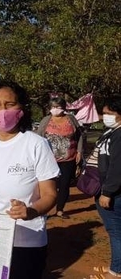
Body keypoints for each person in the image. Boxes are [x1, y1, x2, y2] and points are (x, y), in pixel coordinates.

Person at [0, 80, 59, 279]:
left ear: (21, 109)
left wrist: (30, 211)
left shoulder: (37, 144)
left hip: (26, 241)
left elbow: (50, 195)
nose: (3, 110)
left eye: (9, 104)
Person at [36, 97, 84, 219]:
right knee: (47, 185)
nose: (55, 109)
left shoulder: (71, 119)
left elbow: (80, 136)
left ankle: (60, 210)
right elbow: (38, 138)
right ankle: (44, 209)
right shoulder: (46, 120)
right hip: (49, 160)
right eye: (53, 107)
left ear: (63, 107)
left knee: (64, 185)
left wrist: (79, 151)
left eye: (58, 106)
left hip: (69, 159)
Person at [89, 95, 121, 279]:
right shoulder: (112, 132)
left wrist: (107, 192)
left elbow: (117, 167)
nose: (105, 116)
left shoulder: (119, 135)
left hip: (114, 193)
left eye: (110, 113)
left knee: (116, 231)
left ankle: (116, 271)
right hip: (109, 189)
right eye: (104, 113)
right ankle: (116, 265)